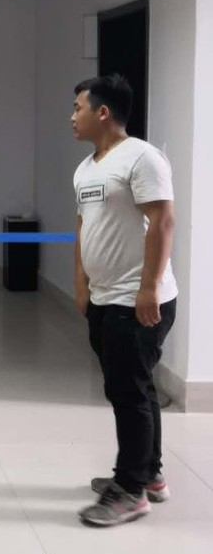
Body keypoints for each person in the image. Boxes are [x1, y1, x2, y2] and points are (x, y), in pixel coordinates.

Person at [72, 75, 178, 527]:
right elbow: (83, 227)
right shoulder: (86, 168)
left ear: (103, 112)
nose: (72, 117)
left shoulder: (142, 157)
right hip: (104, 298)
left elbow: (163, 221)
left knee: (128, 393)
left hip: (137, 300)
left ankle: (130, 490)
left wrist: (149, 287)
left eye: (78, 108)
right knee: (135, 388)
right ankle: (148, 475)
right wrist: (81, 284)